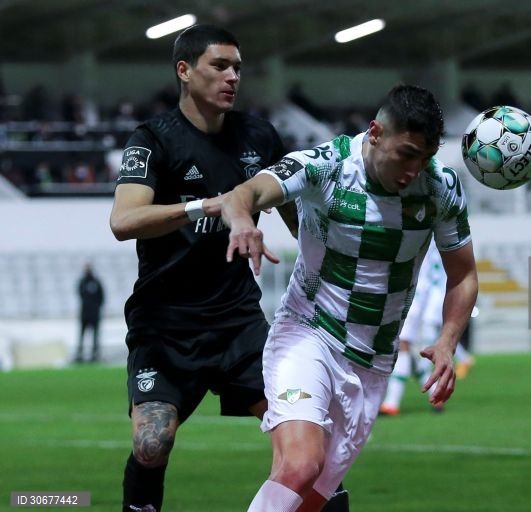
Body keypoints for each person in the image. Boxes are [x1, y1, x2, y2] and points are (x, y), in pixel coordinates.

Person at [109, 25, 349, 512]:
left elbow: (298, 216)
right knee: (151, 445)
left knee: (313, 453)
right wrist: (207, 206)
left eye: (238, 67)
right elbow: (123, 221)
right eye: (220, 66)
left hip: (240, 322)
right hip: (166, 325)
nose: (233, 77)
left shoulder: (259, 136)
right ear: (184, 70)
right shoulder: (153, 139)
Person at [219, 83, 479, 511]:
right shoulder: (326, 165)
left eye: (425, 157)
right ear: (375, 132)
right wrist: (242, 220)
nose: (415, 168)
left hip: (373, 362)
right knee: (300, 466)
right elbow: (243, 193)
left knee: (311, 500)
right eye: (407, 153)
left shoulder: (440, 189)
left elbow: (464, 275)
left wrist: (448, 342)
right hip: (309, 334)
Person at [379, 240, 475, 416]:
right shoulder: (437, 235)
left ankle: (391, 402)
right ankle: (435, 396)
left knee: (403, 345)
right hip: (425, 294)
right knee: (415, 351)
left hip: (415, 294)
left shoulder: (420, 230)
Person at [74, 262, 104, 363]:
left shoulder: (96, 282)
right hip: (84, 314)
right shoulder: (82, 282)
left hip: (94, 314)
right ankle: (80, 354)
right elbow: (80, 295)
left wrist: (96, 308)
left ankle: (95, 354)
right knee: (82, 335)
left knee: (95, 335)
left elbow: (102, 297)